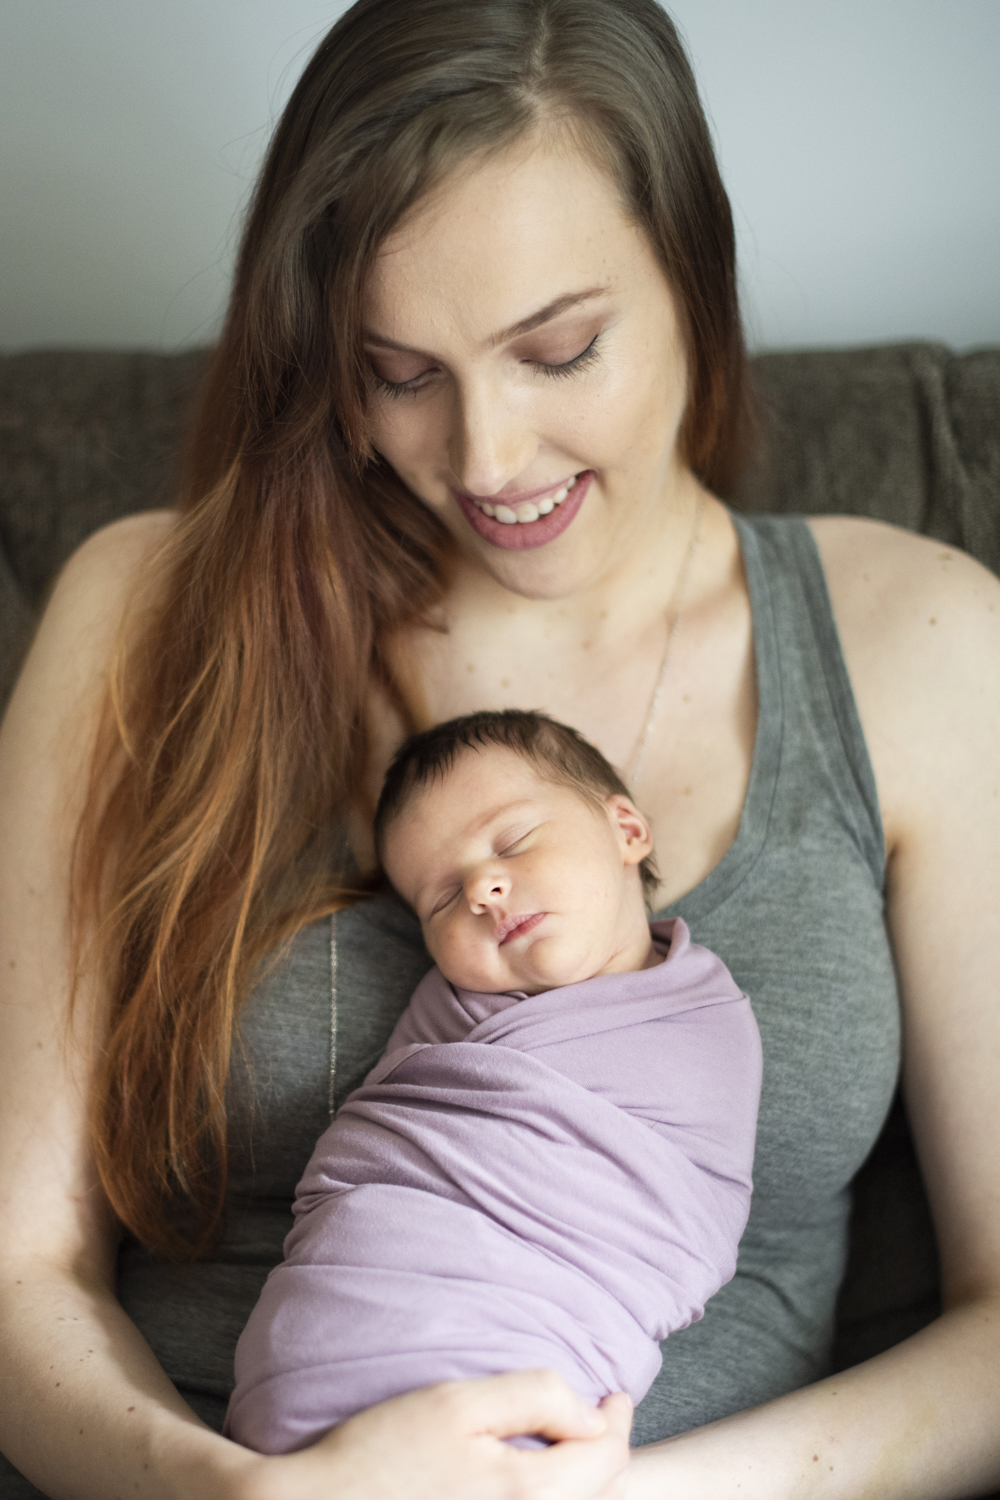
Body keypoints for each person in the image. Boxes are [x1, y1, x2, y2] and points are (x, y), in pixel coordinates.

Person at [0, 0, 998, 1496]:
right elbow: (16, 1269)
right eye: (402, 372)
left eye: (560, 349)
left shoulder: (919, 642)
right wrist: (245, 1496)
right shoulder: (146, 611)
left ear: (695, 277)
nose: (484, 460)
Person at [225, 710, 761, 1454]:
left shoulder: (705, 1020)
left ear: (628, 831)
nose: (482, 889)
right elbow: (388, 1146)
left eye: (512, 841)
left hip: (536, 1344)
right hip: (336, 1324)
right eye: (442, 900)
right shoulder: (446, 1012)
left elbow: (693, 1208)